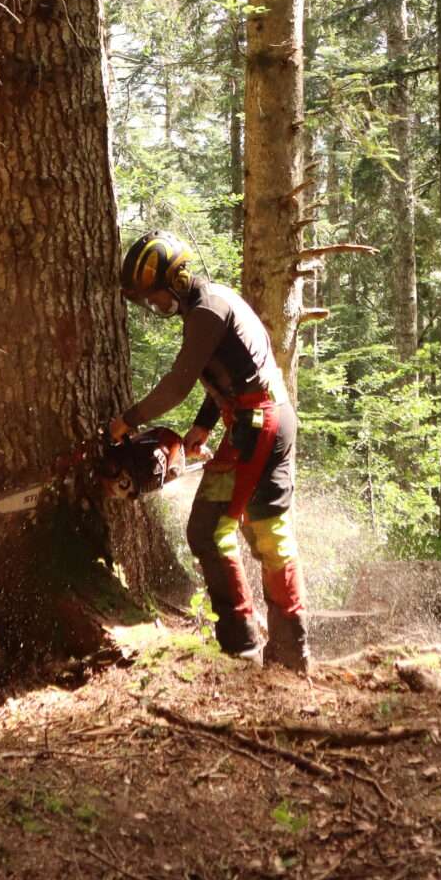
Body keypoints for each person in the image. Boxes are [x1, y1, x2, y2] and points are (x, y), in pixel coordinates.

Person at [112, 232, 310, 672]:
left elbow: (181, 381)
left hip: (255, 426)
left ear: (178, 278)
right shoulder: (218, 300)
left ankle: (240, 645)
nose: (155, 305)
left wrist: (130, 418)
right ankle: (291, 649)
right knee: (269, 532)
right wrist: (202, 426)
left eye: (157, 295)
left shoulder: (204, 311)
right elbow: (231, 368)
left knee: (207, 530)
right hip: (272, 419)